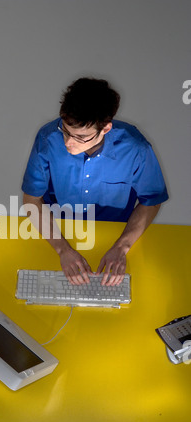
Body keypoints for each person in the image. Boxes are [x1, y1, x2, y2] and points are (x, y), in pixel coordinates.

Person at [21, 77, 169, 286]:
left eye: (80, 137)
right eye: (65, 131)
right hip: (57, 232)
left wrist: (121, 248)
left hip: (115, 235)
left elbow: (152, 200)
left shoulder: (136, 147)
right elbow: (31, 200)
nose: (68, 143)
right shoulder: (47, 138)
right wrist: (63, 249)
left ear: (105, 129)